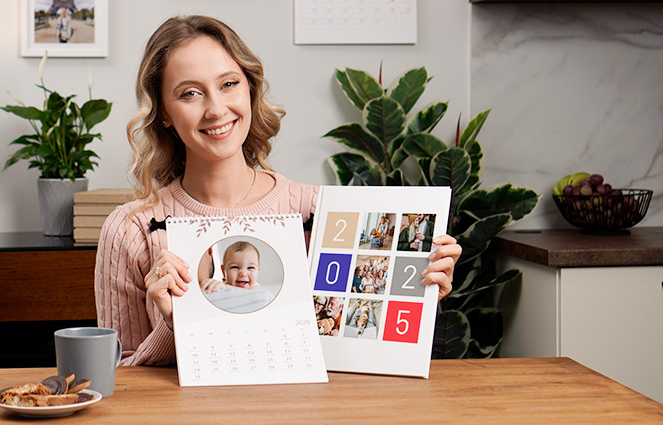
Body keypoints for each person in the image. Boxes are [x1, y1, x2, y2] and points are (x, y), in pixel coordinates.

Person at [94, 15, 462, 366]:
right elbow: (120, 379)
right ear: (163, 113)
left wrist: (419, 289)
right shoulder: (132, 229)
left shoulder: (320, 213)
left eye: (228, 84)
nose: (216, 108)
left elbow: (357, 349)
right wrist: (174, 325)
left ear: (249, 88)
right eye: (190, 93)